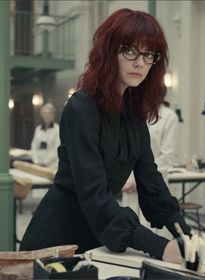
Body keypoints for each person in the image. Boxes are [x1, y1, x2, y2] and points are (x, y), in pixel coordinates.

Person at [20, 9, 191, 264]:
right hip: (57, 238)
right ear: (109, 51)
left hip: (98, 238)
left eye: (148, 54)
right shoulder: (81, 107)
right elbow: (94, 195)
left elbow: (151, 182)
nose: (140, 62)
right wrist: (159, 246)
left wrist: (184, 235)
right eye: (130, 50)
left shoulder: (134, 113)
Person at [30, 103, 60, 168]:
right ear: (42, 115)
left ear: (53, 115)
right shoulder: (38, 129)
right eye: (45, 113)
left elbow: (56, 149)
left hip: (52, 166)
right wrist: (36, 161)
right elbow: (34, 146)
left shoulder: (57, 129)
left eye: (49, 113)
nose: (47, 115)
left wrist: (45, 162)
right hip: (38, 165)